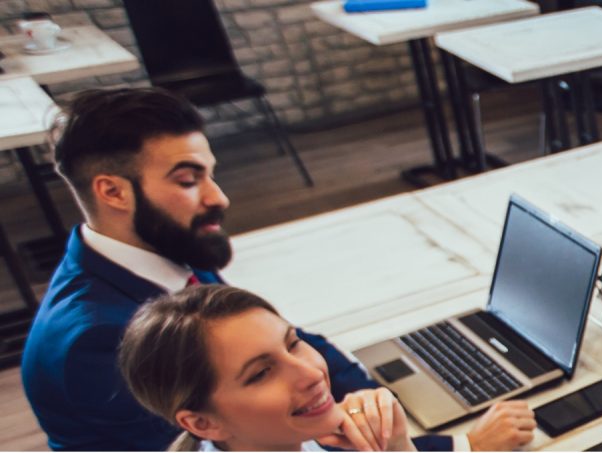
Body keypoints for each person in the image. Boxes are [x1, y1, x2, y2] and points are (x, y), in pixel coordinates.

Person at [19, 88, 533, 451]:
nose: (218, 198)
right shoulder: (96, 340)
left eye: (211, 174)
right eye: (187, 179)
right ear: (112, 191)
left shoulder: (166, 255)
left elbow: (297, 344)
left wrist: (375, 410)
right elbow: (257, 437)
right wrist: (457, 447)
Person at [117, 285, 448, 452]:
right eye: (261, 374)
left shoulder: (286, 439)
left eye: (292, 344)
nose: (312, 373)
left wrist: (396, 445)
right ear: (203, 423)